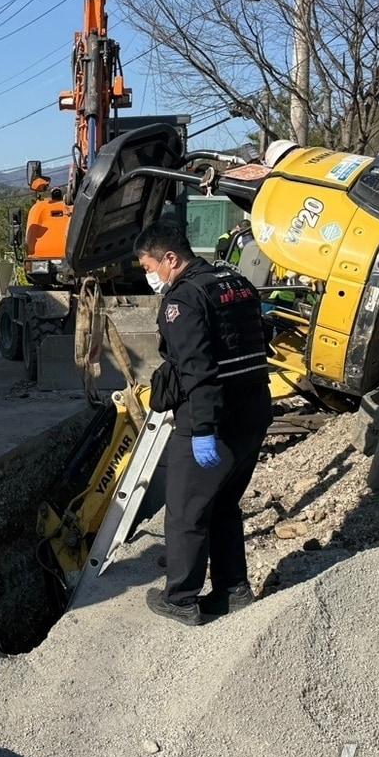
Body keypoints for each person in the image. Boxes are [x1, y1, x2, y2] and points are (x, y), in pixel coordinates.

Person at [135, 220, 271, 627]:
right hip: (254, 412)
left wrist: (203, 430)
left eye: (149, 266)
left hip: (212, 420)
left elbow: (197, 371)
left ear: (170, 259)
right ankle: (233, 590)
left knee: (186, 512)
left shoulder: (184, 300)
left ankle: (180, 598)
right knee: (224, 505)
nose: (150, 276)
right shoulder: (236, 281)